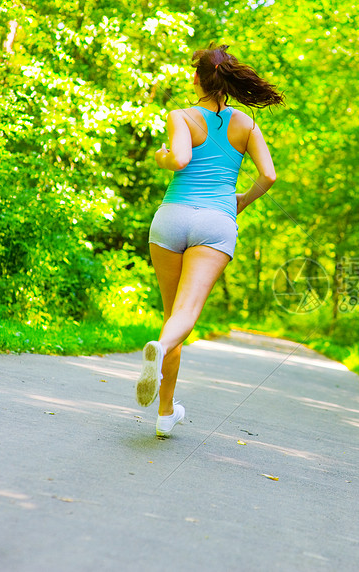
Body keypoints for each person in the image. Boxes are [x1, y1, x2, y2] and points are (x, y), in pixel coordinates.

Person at [135, 43, 283, 437]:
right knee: (184, 316)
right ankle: (161, 354)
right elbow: (268, 176)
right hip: (216, 222)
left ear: (197, 78)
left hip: (172, 217)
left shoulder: (181, 116)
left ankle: (166, 414)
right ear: (230, 83)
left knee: (171, 315)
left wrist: (161, 157)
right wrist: (241, 203)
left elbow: (180, 160)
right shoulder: (246, 126)